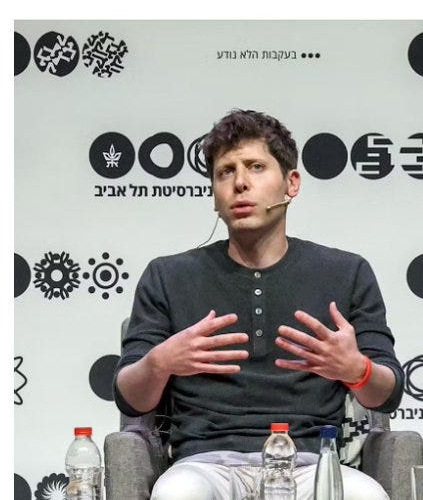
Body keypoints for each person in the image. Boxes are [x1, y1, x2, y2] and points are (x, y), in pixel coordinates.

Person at [114, 110, 402, 500]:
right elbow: (131, 399)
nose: (240, 183)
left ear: (291, 183)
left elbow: (387, 394)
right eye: (225, 172)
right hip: (204, 465)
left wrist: (357, 370)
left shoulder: (347, 273)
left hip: (311, 463)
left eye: (256, 167)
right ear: (214, 195)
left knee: (367, 497)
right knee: (176, 494)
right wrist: (159, 363)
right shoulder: (167, 275)